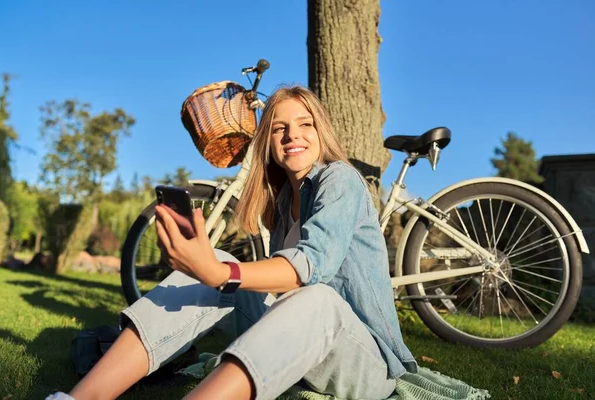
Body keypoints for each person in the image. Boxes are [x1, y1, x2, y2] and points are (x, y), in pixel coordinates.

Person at [49, 85, 418, 400]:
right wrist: (202, 267)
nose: (293, 136)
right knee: (218, 261)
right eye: (279, 128)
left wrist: (219, 272)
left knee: (314, 295)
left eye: (306, 125)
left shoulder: (339, 180)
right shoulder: (285, 200)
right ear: (267, 142)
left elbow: (309, 268)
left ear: (322, 133)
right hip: (299, 343)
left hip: (365, 361)